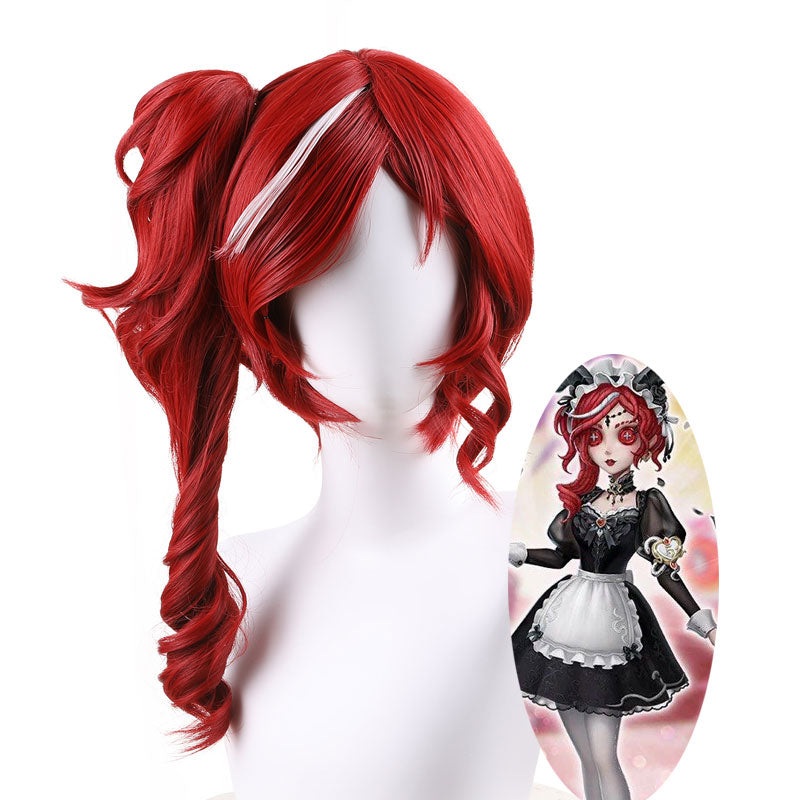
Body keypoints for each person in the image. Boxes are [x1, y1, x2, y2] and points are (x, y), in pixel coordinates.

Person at [73, 49, 538, 799]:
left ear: (477, 267)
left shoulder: (554, 560)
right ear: (271, 297)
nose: (378, 312)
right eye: (326, 264)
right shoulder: (247, 585)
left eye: (418, 255)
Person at [509, 358, 717, 800]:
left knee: (604, 754)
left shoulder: (647, 503)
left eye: (623, 434)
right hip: (566, 616)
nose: (607, 448)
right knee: (585, 755)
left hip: (612, 623)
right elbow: (562, 556)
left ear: (644, 438)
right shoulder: (582, 500)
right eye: (595, 435)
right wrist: (521, 553)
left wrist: (704, 622)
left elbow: (666, 571)